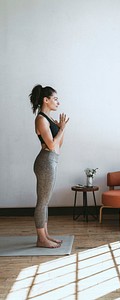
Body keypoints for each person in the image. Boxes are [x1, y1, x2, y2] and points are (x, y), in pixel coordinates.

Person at [29, 85, 69, 248]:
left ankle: (45, 235)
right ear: (46, 100)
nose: (58, 102)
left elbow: (60, 144)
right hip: (45, 162)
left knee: (45, 201)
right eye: (55, 99)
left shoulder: (49, 119)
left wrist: (60, 129)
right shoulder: (41, 119)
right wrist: (62, 129)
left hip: (51, 160)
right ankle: (41, 239)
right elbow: (52, 145)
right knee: (42, 202)